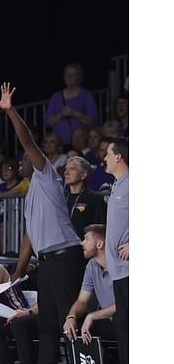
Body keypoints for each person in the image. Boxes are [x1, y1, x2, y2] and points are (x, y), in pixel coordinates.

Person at [0, 83, 86, 364]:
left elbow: (27, 142)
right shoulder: (32, 192)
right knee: (46, 327)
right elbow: (29, 235)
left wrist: (11, 112)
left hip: (65, 258)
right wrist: (19, 271)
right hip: (46, 262)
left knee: (67, 323)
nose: (22, 162)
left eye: (25, 160)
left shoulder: (46, 176)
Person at [62, 225, 117, 351]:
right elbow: (82, 300)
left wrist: (92, 316)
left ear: (99, 244)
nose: (82, 243)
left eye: (86, 239)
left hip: (126, 320)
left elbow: (125, 303)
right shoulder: (92, 266)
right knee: (73, 328)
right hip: (107, 320)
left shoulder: (120, 264)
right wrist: (71, 317)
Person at [104, 137, 129, 363]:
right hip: (118, 271)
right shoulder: (118, 184)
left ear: (118, 156)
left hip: (131, 270)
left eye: (108, 153)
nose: (104, 158)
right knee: (123, 330)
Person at [44, 63, 98, 145]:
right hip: (60, 145)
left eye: (72, 74)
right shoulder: (56, 97)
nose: (69, 77)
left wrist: (75, 113)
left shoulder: (86, 95)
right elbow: (47, 122)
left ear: (79, 77)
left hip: (81, 144)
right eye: (67, 74)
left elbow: (93, 120)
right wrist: (61, 114)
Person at [63, 157, 106, 239]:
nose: (66, 173)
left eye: (72, 169)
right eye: (66, 169)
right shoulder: (61, 198)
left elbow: (100, 229)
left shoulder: (95, 199)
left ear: (83, 175)